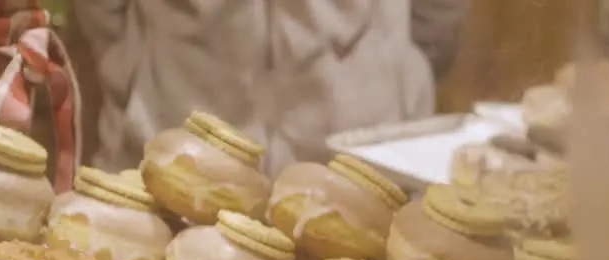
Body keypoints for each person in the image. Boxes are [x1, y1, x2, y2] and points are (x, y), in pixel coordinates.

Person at [75, 0, 468, 174]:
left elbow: (438, 15)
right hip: (170, 135)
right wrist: (126, 67)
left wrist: (407, 67)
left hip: (360, 161)